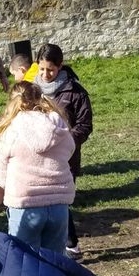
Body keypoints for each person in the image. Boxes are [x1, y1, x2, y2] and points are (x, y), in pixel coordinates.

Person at [0, 81, 76, 253]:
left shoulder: (10, 130)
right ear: (40, 98)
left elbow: (2, 173)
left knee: (24, 261)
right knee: (55, 261)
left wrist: (1, 188)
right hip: (59, 203)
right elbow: (70, 151)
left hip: (25, 205)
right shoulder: (58, 126)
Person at [35, 43, 93, 258]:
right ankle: (53, 245)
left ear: (60, 66)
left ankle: (71, 244)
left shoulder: (75, 92)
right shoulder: (33, 90)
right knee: (44, 200)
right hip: (39, 155)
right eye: (41, 69)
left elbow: (85, 125)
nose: (45, 74)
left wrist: (65, 141)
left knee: (60, 200)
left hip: (65, 157)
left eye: (50, 69)